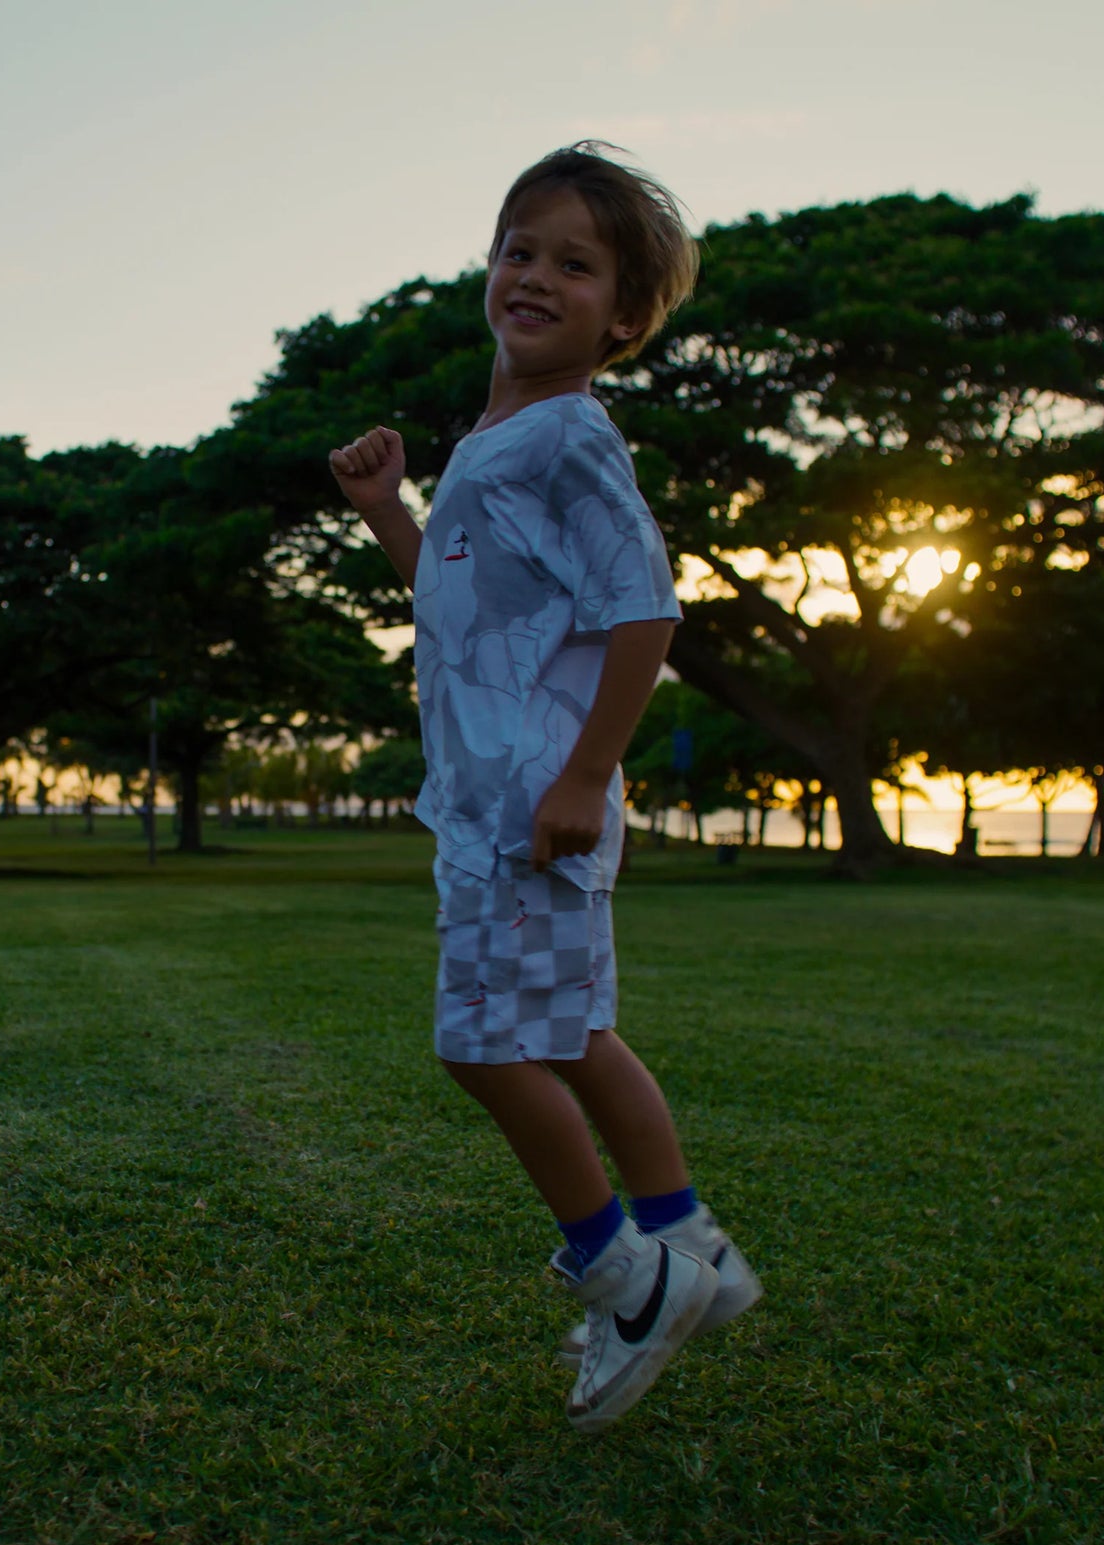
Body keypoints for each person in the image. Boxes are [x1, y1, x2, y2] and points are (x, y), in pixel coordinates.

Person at [328, 143, 761, 1432]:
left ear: (622, 319)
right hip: (495, 801)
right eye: (520, 250)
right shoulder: (496, 442)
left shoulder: (570, 437)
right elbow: (461, 601)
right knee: (570, 1033)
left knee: (481, 1046)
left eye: (575, 265)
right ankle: (693, 1244)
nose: (534, 277)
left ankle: (632, 1280)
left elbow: (646, 611)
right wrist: (388, 511)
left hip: (530, 807)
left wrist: (584, 776)